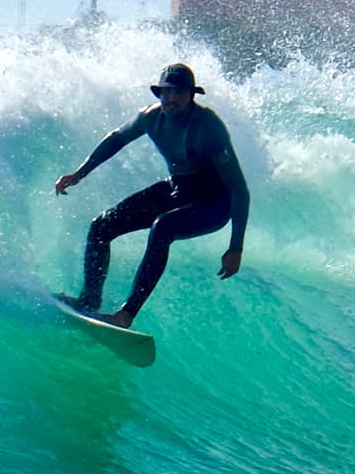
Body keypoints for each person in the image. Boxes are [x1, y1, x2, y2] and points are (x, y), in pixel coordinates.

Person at [55, 63, 250, 326]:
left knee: (163, 227)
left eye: (179, 92)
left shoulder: (208, 127)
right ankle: (89, 300)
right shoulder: (150, 117)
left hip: (214, 202)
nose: (171, 98)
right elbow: (116, 139)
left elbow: (239, 188)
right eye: (166, 92)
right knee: (101, 226)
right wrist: (79, 173)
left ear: (191, 95)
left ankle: (125, 315)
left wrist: (235, 247)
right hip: (179, 188)